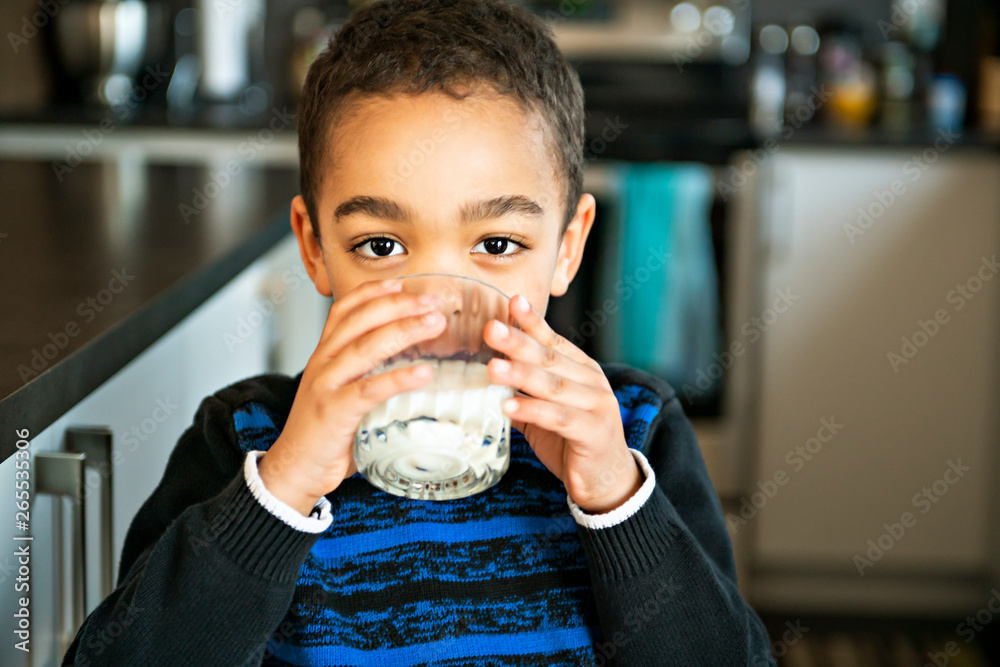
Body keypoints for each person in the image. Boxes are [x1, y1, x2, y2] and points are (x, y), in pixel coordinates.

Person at [63, 0, 776, 664]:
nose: (436, 314)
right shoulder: (246, 440)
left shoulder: (634, 436)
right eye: (381, 245)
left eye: (496, 245)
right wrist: (282, 491)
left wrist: (617, 505)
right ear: (314, 247)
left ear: (567, 245)